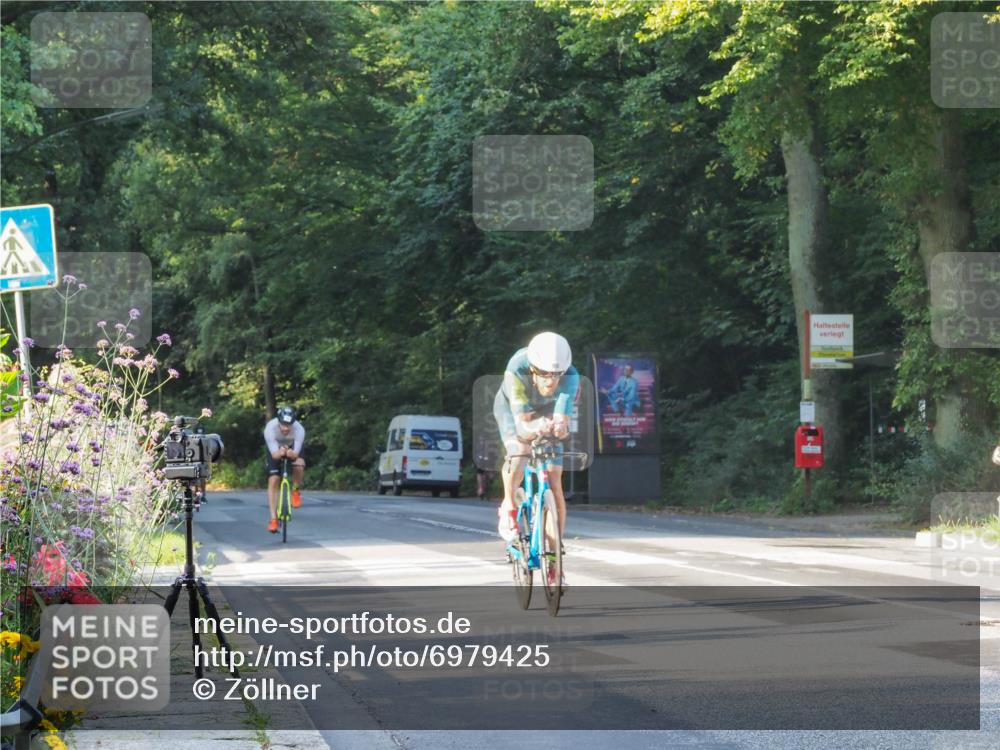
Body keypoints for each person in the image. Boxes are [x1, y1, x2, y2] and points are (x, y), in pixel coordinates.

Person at [494, 332, 579, 585]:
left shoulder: (571, 376)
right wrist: (533, 428)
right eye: (544, 374)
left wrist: (560, 426)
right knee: (518, 454)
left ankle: (555, 560)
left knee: (554, 480)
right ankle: (509, 505)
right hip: (513, 412)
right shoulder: (516, 369)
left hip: (546, 413)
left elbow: (562, 419)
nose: (551, 381)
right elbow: (522, 426)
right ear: (532, 368)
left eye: (556, 375)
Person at [263, 405, 305, 533]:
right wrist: (281, 452)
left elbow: (296, 454)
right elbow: (275, 455)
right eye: (283, 424)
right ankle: (273, 519)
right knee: (274, 479)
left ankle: (296, 491)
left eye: (289, 425)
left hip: (292, 447)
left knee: (299, 464)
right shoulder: (270, 428)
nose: (286, 428)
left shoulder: (299, 429)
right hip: (275, 448)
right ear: (278, 421)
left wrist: (291, 453)